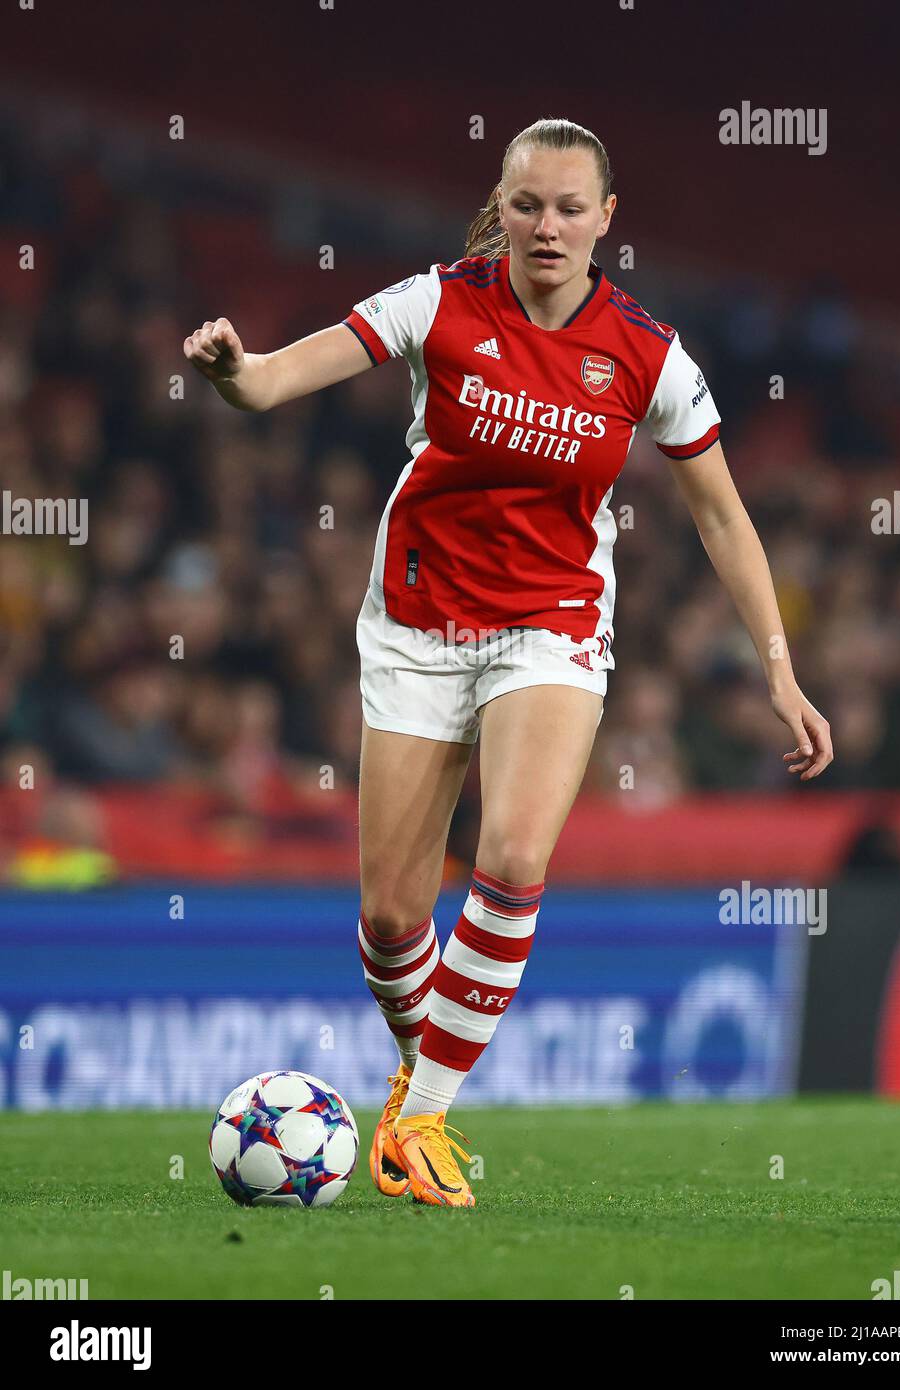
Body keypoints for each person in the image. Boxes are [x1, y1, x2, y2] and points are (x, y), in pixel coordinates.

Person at [184, 116, 834, 1209]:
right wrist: (232, 372)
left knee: (516, 853)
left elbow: (722, 516)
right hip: (418, 620)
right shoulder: (436, 301)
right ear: (504, 202)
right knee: (393, 915)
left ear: (605, 221)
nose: (547, 225)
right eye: (528, 203)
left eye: (570, 207)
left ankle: (425, 1115)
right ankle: (416, 1076)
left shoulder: (648, 354)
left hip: (552, 621)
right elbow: (276, 381)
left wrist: (777, 665)